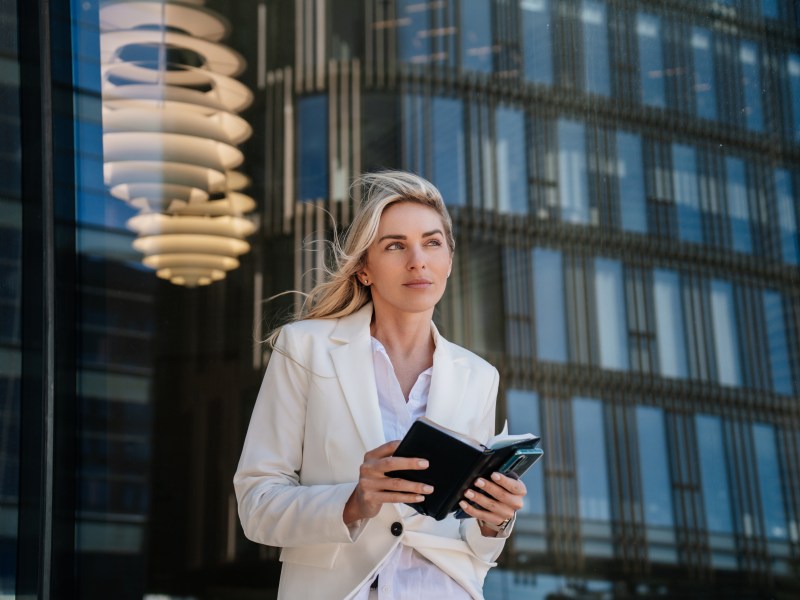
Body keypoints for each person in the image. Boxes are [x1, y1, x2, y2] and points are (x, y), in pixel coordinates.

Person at [234, 171, 527, 599]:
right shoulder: (304, 349)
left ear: (449, 260)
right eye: (394, 245)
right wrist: (353, 501)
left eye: (432, 242)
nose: (417, 260)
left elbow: (474, 545)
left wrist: (494, 520)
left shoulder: (478, 375)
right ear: (365, 270)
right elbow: (256, 505)